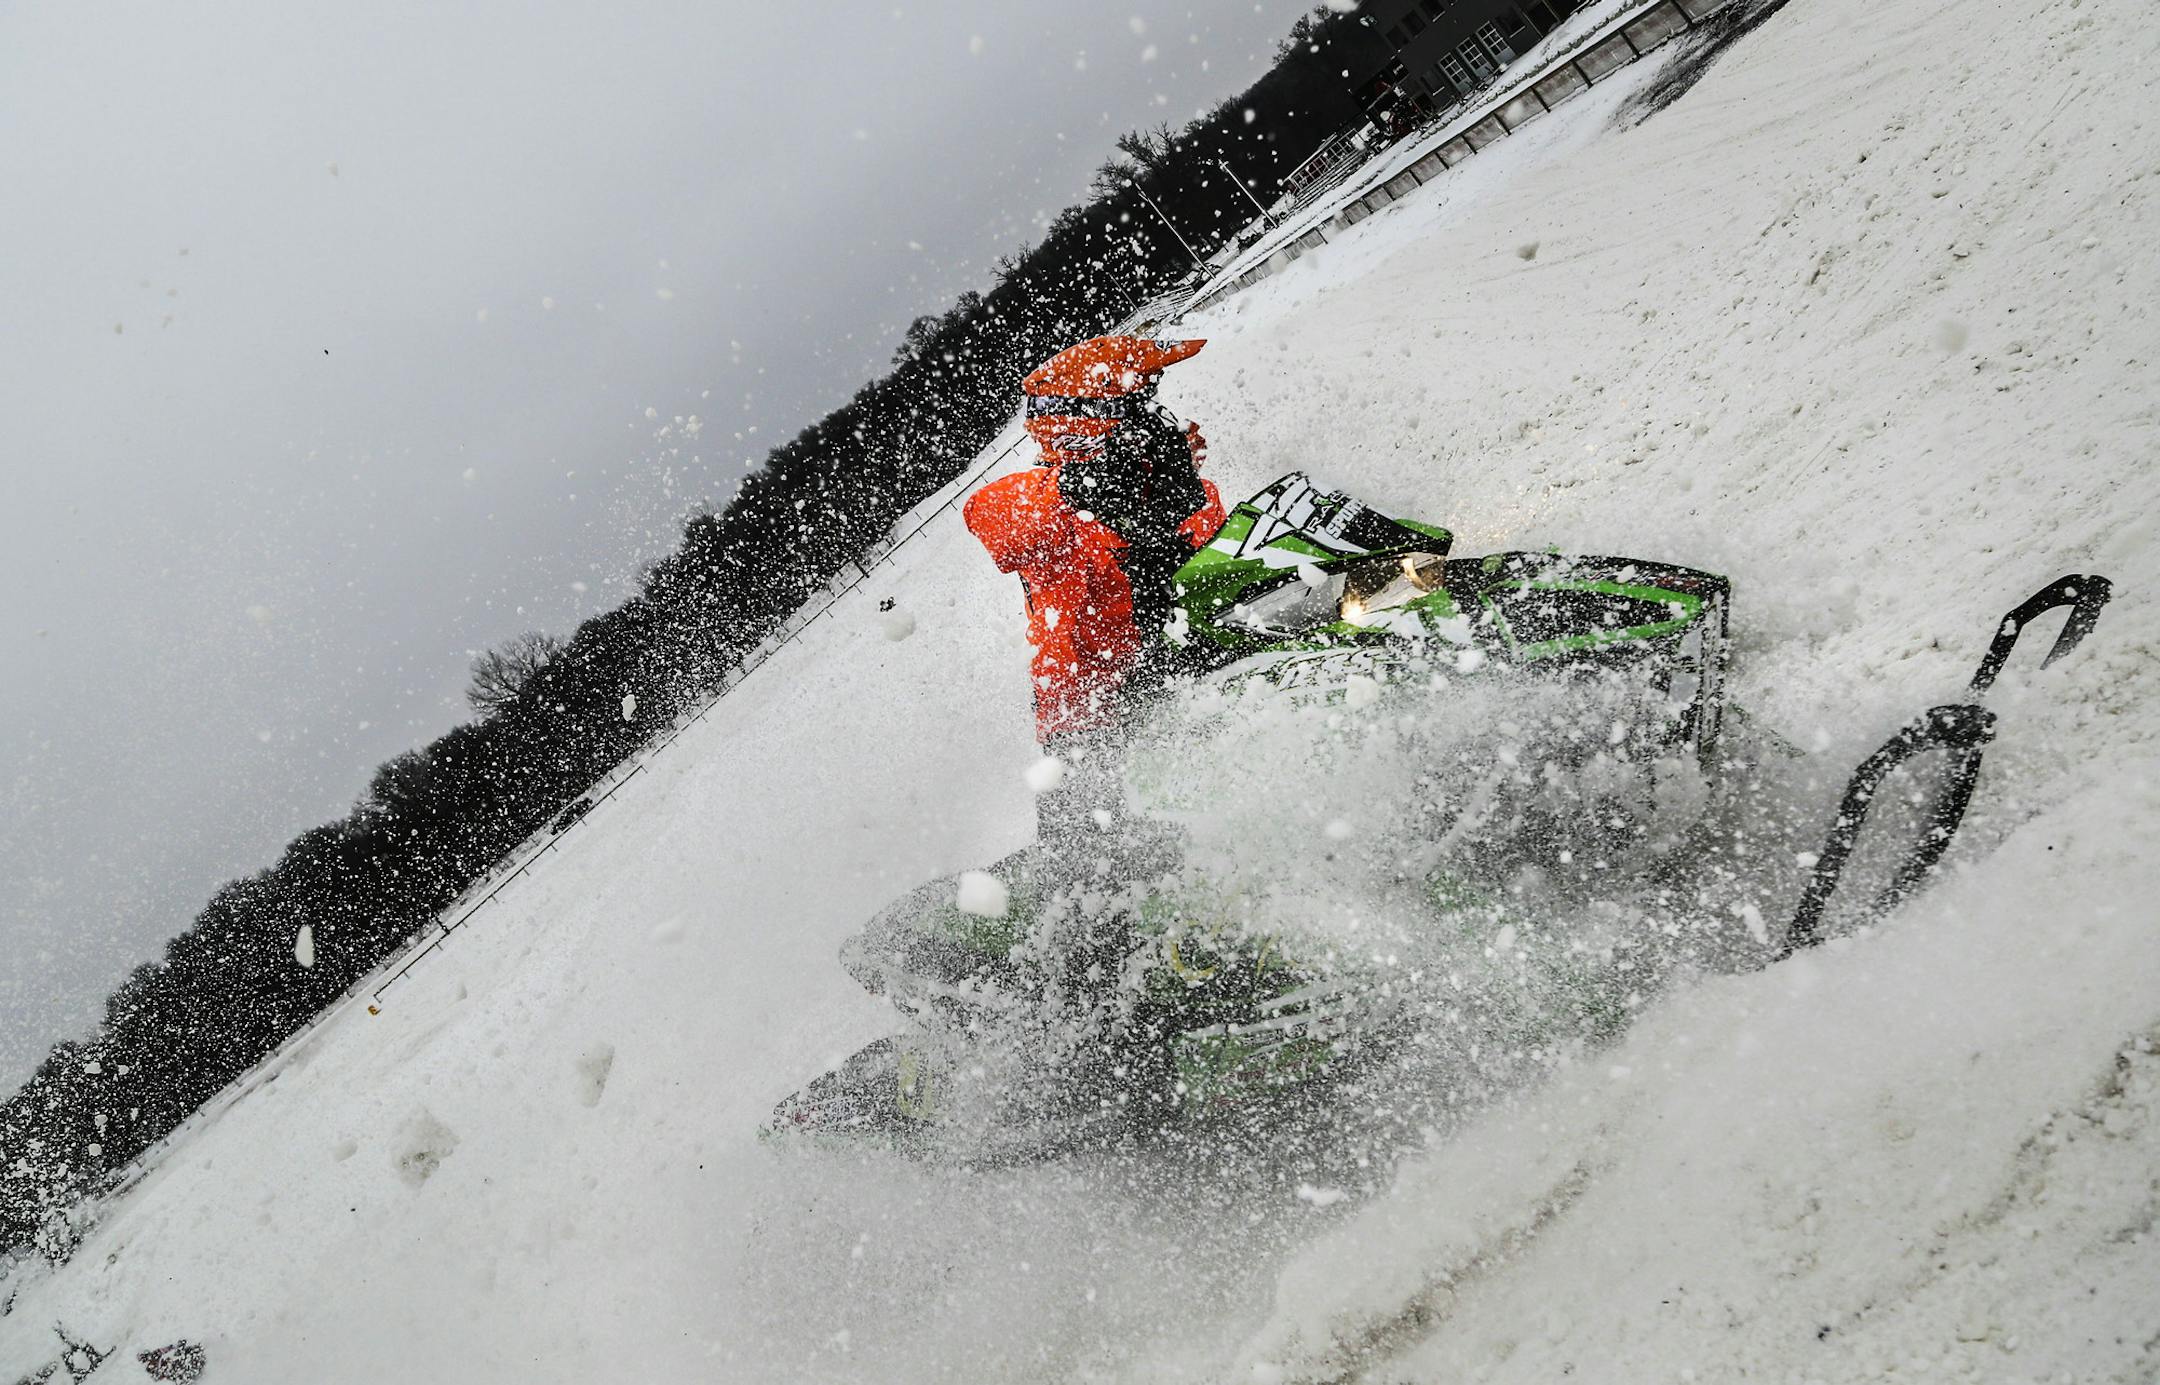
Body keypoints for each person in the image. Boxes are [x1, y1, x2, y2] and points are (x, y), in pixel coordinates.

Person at [962, 335, 1225, 846]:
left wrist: (1175, 496)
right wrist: (1080, 486)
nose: (1156, 420)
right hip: (1086, 715)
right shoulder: (1046, 506)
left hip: (1184, 675)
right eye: (1137, 406)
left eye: (1152, 404)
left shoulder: (1186, 494)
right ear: (1088, 418)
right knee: (1096, 863)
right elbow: (987, 514)